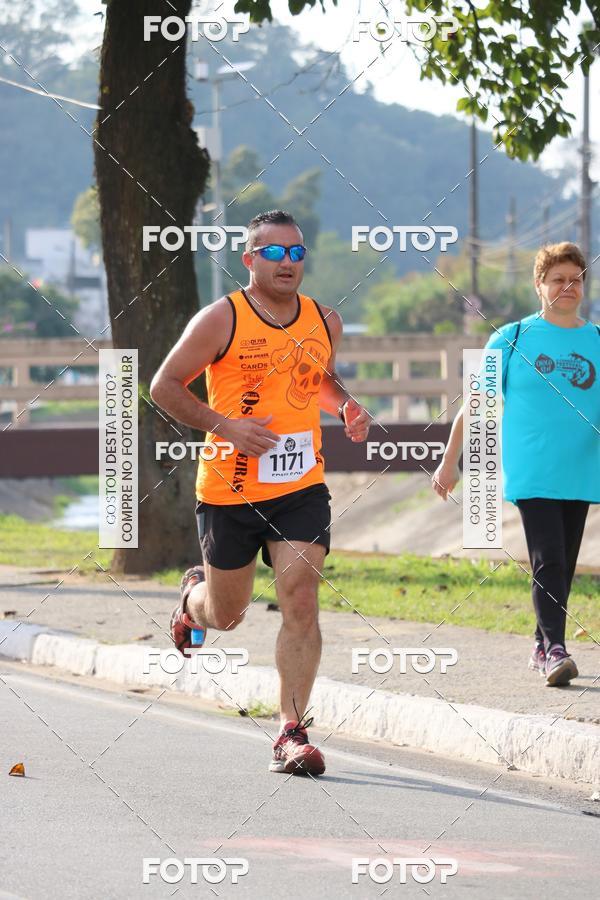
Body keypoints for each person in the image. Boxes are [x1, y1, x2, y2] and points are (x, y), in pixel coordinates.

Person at [150, 209, 371, 774]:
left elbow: (312, 377)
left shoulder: (326, 319)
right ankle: (192, 600)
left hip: (300, 486)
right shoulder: (220, 319)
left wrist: (342, 403)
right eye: (274, 253)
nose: (287, 263)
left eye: (297, 253)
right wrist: (225, 426)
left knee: (300, 597)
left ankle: (290, 731)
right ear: (250, 259)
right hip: (230, 488)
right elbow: (163, 386)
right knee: (228, 616)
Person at [432, 242, 599, 687]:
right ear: (539, 284)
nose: (568, 287)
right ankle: (556, 652)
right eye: (558, 279)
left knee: (564, 559)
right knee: (549, 559)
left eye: (576, 279)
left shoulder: (597, 339)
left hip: (581, 469)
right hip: (532, 469)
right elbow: (476, 403)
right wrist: (451, 463)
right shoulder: (510, 338)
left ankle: (541, 641)